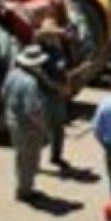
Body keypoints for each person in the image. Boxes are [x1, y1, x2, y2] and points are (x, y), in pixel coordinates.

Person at [5, 45, 51, 201]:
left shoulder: (12, 75)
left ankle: (22, 186)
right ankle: (25, 191)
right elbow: (33, 110)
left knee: (20, 157)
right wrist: (43, 127)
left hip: (13, 122)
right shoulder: (30, 83)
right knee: (30, 159)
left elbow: (3, 94)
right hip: (28, 127)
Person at [35, 18, 74, 170]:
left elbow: (64, 70)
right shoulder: (38, 51)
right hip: (44, 95)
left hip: (57, 95)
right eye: (50, 34)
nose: (53, 36)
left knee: (58, 129)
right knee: (40, 130)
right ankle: (35, 160)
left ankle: (56, 156)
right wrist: (56, 86)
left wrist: (67, 86)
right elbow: (40, 75)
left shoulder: (58, 50)